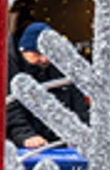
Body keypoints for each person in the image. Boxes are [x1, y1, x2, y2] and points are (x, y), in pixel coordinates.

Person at [5, 21, 75, 149]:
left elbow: (76, 102)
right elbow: (10, 108)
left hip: (59, 144)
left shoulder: (59, 67)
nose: (44, 59)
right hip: (23, 146)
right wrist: (26, 136)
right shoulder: (8, 68)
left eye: (47, 54)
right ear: (23, 50)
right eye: (37, 54)